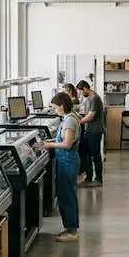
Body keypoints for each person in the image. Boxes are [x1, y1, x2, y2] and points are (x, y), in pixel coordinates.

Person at [39, 92, 80, 241]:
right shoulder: (70, 117)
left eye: (55, 108)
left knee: (66, 197)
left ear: (62, 106)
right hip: (67, 161)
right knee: (69, 195)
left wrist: (48, 145)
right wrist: (47, 141)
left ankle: (71, 231)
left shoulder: (69, 121)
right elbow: (61, 138)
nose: (55, 111)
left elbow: (67, 144)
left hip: (67, 162)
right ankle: (72, 227)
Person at [75, 80, 105, 185]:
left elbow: (91, 116)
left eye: (80, 92)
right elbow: (84, 111)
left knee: (95, 155)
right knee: (85, 153)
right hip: (89, 130)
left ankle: (98, 179)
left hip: (95, 130)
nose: (80, 94)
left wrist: (78, 122)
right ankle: (88, 178)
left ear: (84, 89)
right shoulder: (88, 99)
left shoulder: (95, 98)